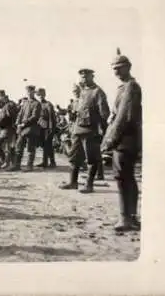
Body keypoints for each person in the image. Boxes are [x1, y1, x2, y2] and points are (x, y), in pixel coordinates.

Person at [101, 49, 142, 232]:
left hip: (126, 139)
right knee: (126, 177)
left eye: (119, 67)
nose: (116, 72)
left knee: (123, 178)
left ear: (128, 67)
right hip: (125, 138)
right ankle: (130, 216)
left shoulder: (131, 87)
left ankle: (127, 218)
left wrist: (110, 140)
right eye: (114, 68)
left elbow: (124, 117)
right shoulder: (124, 87)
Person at [60, 68, 109, 193]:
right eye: (82, 77)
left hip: (90, 131)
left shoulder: (98, 92)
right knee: (74, 157)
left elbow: (104, 114)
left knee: (91, 159)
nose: (83, 79)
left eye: (86, 76)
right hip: (78, 130)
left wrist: (101, 130)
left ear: (92, 77)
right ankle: (73, 182)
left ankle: (89, 185)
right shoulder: (82, 92)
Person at [8, 85, 41, 172]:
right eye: (28, 92)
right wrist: (17, 123)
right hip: (22, 128)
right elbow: (20, 114)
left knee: (31, 147)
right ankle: (17, 165)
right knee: (19, 146)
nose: (29, 93)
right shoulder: (25, 103)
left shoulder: (37, 104)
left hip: (31, 128)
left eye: (31, 92)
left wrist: (24, 123)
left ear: (34, 92)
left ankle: (29, 166)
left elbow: (35, 117)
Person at [0, 90, 18, 169]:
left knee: (7, 147)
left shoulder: (9, 105)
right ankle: (6, 162)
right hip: (2, 129)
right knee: (0, 146)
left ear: (3, 96)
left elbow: (4, 119)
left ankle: (8, 163)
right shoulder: (2, 106)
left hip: (8, 129)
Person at [36, 88, 57, 168]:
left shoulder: (48, 104)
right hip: (40, 127)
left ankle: (52, 162)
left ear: (44, 95)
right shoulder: (37, 104)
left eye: (41, 94)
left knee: (48, 144)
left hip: (47, 127)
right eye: (38, 95)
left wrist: (51, 128)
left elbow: (52, 117)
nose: (40, 96)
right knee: (44, 145)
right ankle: (45, 162)